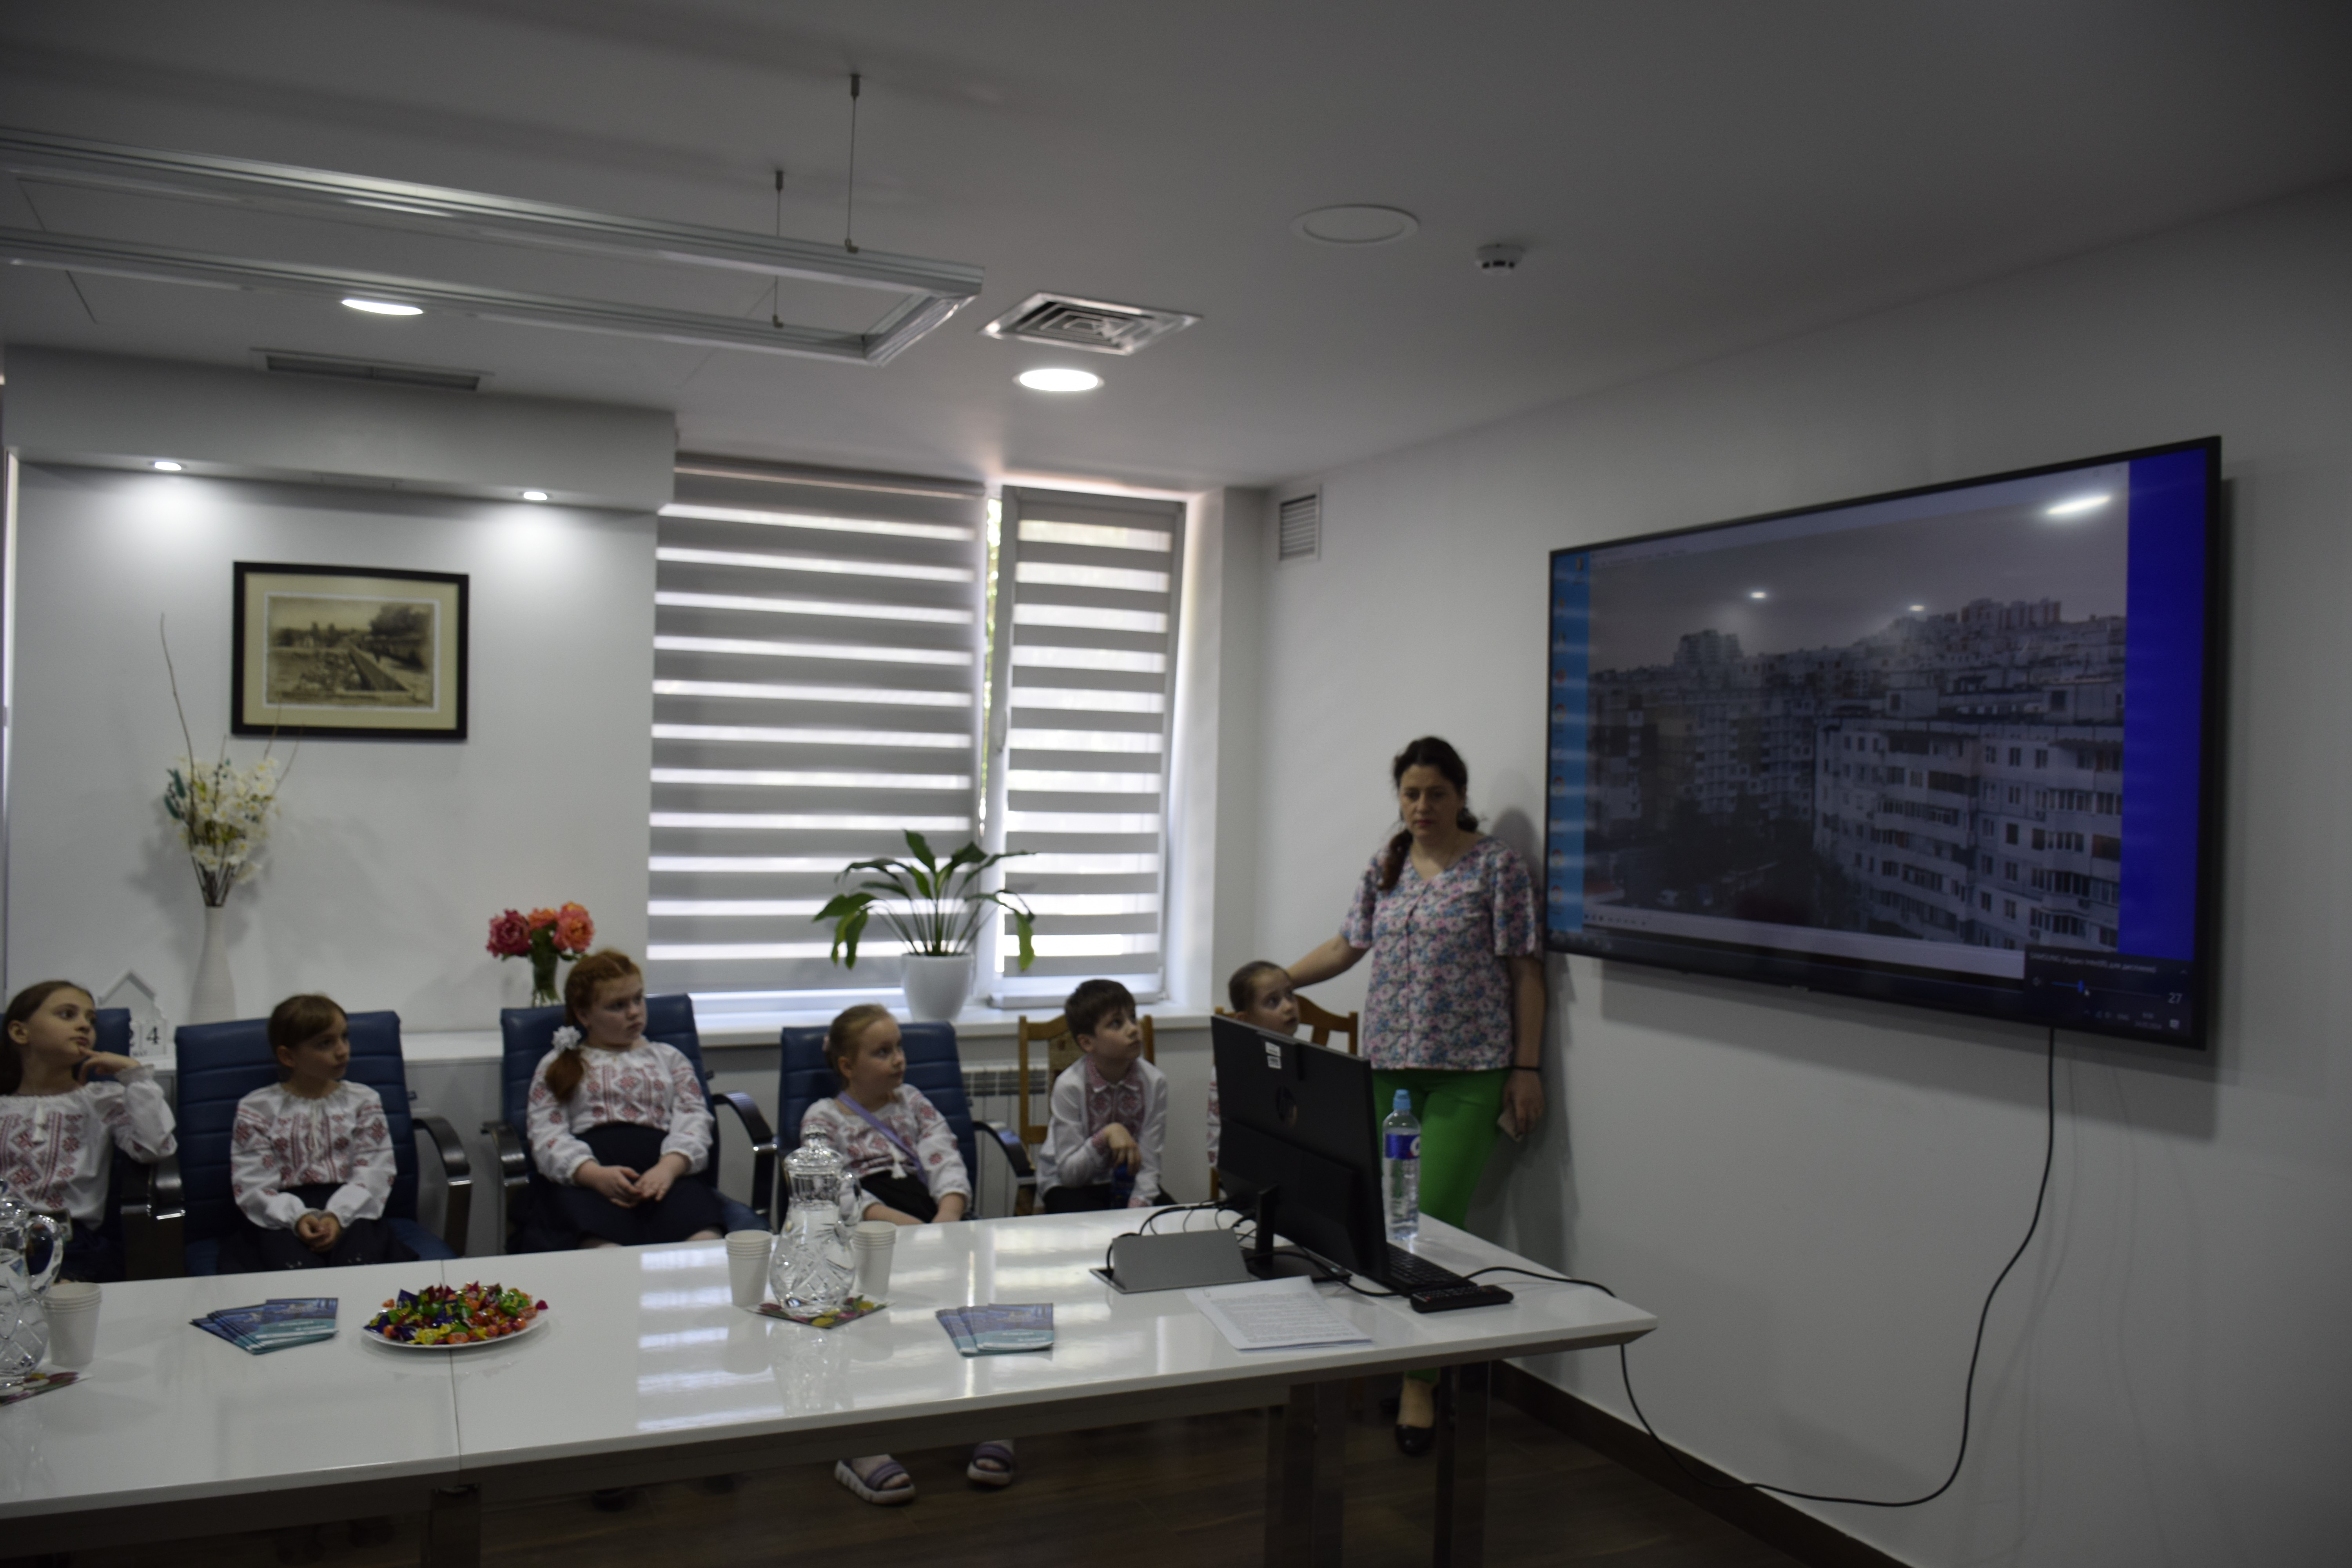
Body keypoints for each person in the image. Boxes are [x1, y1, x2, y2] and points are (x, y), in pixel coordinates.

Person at [1285, 735, 1545, 1456]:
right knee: (1384, 1219)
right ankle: (1380, 1346)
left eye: (1436, 793)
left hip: (1469, 1071)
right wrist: (1281, 980)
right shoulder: (1389, 864)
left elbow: (1526, 972)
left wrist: (1526, 1069)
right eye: (1410, 793)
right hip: (1387, 1071)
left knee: (1432, 1225)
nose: (1422, 806)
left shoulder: (1497, 867)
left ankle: (1421, 1383)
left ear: (1460, 796)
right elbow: (1348, 944)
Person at [801, 1005, 1011, 1503]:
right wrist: (905, 1230)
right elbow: (835, 1188)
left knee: (979, 1295)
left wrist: (948, 1218)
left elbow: (945, 1157)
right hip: (866, 1228)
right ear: (847, 1066)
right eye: (882, 1052)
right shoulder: (822, 1118)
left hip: (931, 1216)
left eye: (899, 1048)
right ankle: (860, 1445)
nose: (898, 1059)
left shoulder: (913, 1101)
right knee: (859, 1315)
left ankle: (992, 1416)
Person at [526, 950, 724, 1248]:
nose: (634, 1012)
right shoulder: (558, 1064)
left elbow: (694, 1117)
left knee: (705, 1240)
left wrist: (669, 1168)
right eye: (617, 1006)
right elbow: (546, 1133)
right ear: (584, 1015)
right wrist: (591, 1175)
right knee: (600, 1245)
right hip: (591, 1181)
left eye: (638, 999)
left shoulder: (669, 1058)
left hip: (664, 1173)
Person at [0, 980, 176, 1281]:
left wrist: (134, 1076)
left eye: (91, 1020)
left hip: (69, 1243)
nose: (84, 1025)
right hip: (6, 1239)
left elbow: (154, 1147)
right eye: (67, 1015)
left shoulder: (101, 1101)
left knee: (59, 1292)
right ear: (20, 1032)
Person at [222, 994, 410, 1272]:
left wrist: (338, 1216)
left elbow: (375, 1170)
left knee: (360, 1264)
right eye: (325, 1043)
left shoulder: (363, 1101)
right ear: (288, 1056)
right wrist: (297, 1218)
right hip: (280, 1212)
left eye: (344, 1037)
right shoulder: (257, 1108)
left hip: (353, 1206)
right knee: (292, 1269)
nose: (342, 1051)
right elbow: (253, 1183)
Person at [1036, 979, 1168, 1210]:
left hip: (1128, 1184)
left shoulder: (1154, 1083)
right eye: (1116, 1023)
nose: (1133, 1029)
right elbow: (1070, 1175)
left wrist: (1136, 1210)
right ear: (1087, 1042)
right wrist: (1106, 1135)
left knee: (1173, 1223)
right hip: (1071, 1185)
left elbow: (1149, 1166)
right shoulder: (1070, 1086)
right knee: (1089, 1226)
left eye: (1133, 1017)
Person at [1209, 960, 1300, 1172]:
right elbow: (1217, 1149)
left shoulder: (1304, 1061)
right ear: (1245, 1020)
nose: (1289, 1006)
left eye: (1290, 994)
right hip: (1249, 1173)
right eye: (1273, 1001)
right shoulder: (1230, 1071)